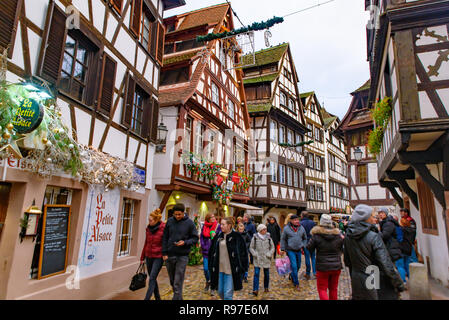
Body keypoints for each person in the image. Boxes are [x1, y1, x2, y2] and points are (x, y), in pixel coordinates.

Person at [344, 204, 405, 300]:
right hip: (375, 279)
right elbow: (385, 263)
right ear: (366, 218)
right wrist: (398, 283)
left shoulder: (348, 236)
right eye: (372, 216)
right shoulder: (373, 236)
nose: (374, 219)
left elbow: (347, 261)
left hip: (357, 280)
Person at [162, 203, 199, 300]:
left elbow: (195, 238)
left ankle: (176, 298)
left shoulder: (190, 223)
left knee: (178, 280)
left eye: (179, 214)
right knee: (172, 280)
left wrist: (185, 242)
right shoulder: (170, 221)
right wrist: (164, 253)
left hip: (182, 256)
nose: (177, 216)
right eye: (175, 214)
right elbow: (165, 237)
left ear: (184, 213)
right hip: (170, 255)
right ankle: (179, 297)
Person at [209, 217, 249, 300]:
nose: (221, 226)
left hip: (231, 270)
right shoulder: (218, 236)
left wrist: (243, 268)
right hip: (219, 269)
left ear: (229, 225)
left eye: (223, 224)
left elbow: (243, 253)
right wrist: (211, 265)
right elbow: (212, 252)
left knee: (228, 295)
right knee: (220, 292)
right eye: (221, 224)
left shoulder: (237, 237)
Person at [307, 214, 344, 300]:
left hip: (322, 266)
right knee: (333, 289)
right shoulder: (338, 235)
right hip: (336, 266)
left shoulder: (316, 236)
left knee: (322, 289)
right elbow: (342, 249)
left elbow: (309, 248)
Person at [140, 209, 165, 300]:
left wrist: (165, 254)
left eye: (150, 220)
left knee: (152, 278)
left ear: (156, 220)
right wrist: (142, 257)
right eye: (148, 220)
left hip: (158, 257)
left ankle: (147, 298)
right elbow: (146, 242)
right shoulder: (148, 229)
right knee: (152, 279)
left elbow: (165, 243)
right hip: (148, 256)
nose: (149, 222)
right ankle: (158, 297)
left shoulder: (163, 229)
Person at [280, 214, 308, 291]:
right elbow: (283, 239)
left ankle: (292, 275)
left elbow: (305, 238)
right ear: (291, 221)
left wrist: (303, 245)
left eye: (297, 220)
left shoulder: (301, 228)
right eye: (295, 220)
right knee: (294, 266)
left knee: (298, 265)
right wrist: (282, 248)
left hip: (298, 250)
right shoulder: (286, 229)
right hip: (290, 250)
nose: (297, 221)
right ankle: (296, 283)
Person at [249, 224, 275, 296]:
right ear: (260, 230)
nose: (265, 230)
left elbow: (272, 247)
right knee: (256, 273)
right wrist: (255, 254)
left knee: (266, 273)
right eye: (263, 229)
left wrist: (269, 254)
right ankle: (255, 289)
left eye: (265, 229)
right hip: (258, 258)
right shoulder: (255, 237)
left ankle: (266, 287)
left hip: (266, 258)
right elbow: (251, 247)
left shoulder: (269, 237)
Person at [200, 213, 221, 293]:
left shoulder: (217, 226)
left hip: (214, 250)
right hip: (205, 251)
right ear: (208, 219)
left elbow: (220, 236)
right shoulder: (204, 226)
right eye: (211, 217)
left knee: (212, 269)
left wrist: (215, 236)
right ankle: (208, 281)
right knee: (206, 269)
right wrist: (203, 245)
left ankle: (212, 286)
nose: (213, 218)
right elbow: (202, 237)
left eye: (213, 217)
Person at [395, 217, 417, 284]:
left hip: (401, 249)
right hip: (409, 249)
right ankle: (412, 279)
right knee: (407, 264)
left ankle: (403, 281)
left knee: (400, 266)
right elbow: (413, 240)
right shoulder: (412, 230)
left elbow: (399, 239)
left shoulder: (400, 229)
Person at [301, 212, 316, 280]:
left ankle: (308, 272)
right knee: (313, 257)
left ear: (302, 216)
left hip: (305, 241)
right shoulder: (312, 223)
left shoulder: (301, 223)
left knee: (307, 257)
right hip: (312, 241)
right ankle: (315, 272)